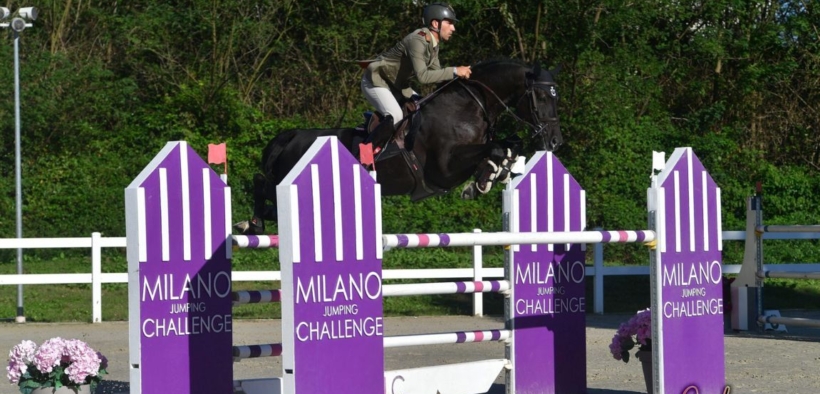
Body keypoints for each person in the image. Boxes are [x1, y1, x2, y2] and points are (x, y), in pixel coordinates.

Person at [361, 2, 472, 126]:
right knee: (396, 116)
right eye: (450, 23)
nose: (453, 28)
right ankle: (369, 144)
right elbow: (423, 76)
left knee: (422, 109)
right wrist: (455, 71)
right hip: (376, 81)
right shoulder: (417, 40)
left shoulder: (433, 44)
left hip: (396, 85)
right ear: (436, 23)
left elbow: (437, 75)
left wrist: (460, 79)